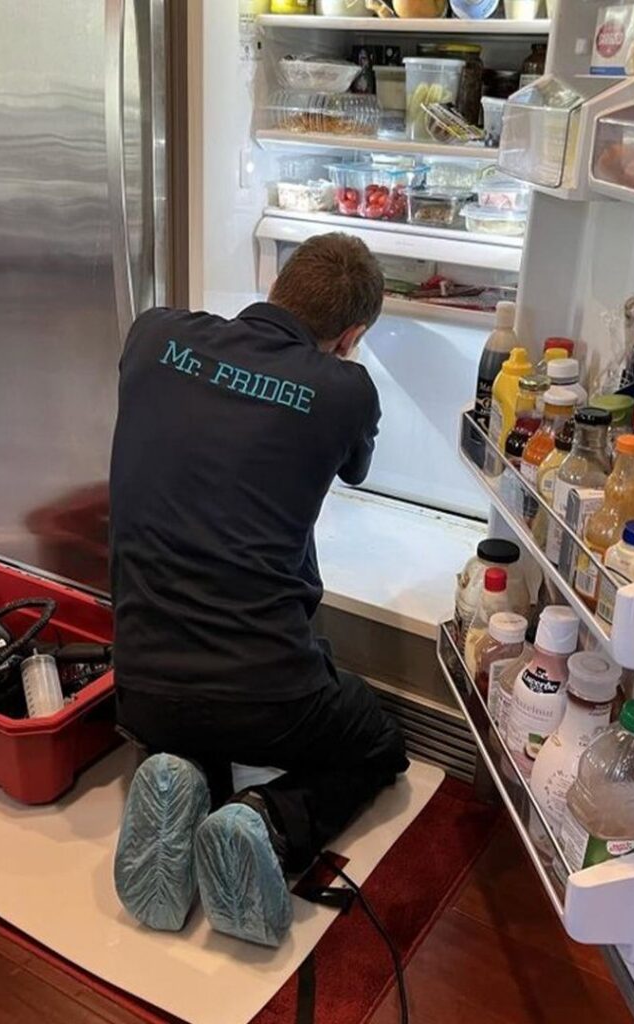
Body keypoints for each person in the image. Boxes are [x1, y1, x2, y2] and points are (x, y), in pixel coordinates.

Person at [108, 233, 409, 947]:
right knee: (373, 744)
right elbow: (356, 471)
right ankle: (269, 822)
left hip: (140, 685)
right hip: (270, 698)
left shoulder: (154, 334)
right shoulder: (345, 388)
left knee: (196, 726)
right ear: (353, 336)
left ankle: (181, 774)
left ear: (276, 287)